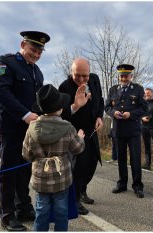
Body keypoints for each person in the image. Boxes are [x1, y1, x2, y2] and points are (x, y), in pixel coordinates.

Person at [0, 31, 49, 231]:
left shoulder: (37, 72)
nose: (36, 54)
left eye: (40, 51)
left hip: (28, 130)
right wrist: (25, 114)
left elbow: (39, 101)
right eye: (33, 49)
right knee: (9, 171)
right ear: (23, 44)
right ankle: (7, 215)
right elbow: (0, 91)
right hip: (7, 128)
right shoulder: (6, 62)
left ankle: (23, 206)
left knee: (24, 170)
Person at [23, 84, 85, 231]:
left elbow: (26, 155)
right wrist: (80, 138)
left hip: (40, 180)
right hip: (61, 179)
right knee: (61, 212)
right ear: (60, 108)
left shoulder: (31, 128)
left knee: (41, 212)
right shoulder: (68, 127)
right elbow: (78, 148)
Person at [58, 58, 104, 215]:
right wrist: (76, 106)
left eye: (85, 76)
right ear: (71, 72)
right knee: (78, 167)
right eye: (77, 75)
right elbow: (62, 114)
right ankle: (74, 199)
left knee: (92, 164)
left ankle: (82, 190)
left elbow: (100, 100)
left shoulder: (95, 80)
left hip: (92, 131)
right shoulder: (64, 87)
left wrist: (99, 117)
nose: (81, 79)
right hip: (76, 134)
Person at [105, 64, 147, 198]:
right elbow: (106, 107)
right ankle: (122, 184)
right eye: (121, 76)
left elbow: (144, 108)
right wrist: (113, 112)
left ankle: (137, 186)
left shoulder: (139, 89)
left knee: (135, 159)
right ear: (119, 76)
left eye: (126, 76)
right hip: (118, 130)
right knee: (121, 159)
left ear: (131, 76)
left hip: (133, 130)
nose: (124, 78)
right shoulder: (113, 90)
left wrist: (131, 114)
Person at [141, 88, 153, 170]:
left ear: (152, 93)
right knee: (147, 146)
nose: (147, 95)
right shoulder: (143, 103)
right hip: (144, 127)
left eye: (148, 93)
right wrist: (142, 118)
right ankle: (147, 164)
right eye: (145, 93)